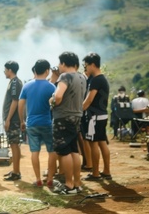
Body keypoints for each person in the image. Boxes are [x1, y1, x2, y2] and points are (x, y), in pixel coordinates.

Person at [49, 51, 86, 194]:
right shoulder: (82, 77)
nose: (59, 66)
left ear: (63, 63)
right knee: (73, 150)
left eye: (59, 63)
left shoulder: (65, 76)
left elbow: (58, 96)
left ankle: (69, 184)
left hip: (63, 117)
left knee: (64, 151)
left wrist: (52, 102)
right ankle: (77, 183)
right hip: (77, 116)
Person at [18, 59, 56, 187]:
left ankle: (38, 179)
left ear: (35, 70)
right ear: (47, 71)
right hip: (47, 123)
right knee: (52, 151)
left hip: (31, 123)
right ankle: (50, 179)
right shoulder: (51, 86)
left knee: (35, 152)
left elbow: (21, 104)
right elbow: (55, 104)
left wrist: (22, 121)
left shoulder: (27, 86)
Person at [82, 52, 111, 181]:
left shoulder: (96, 80)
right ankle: (106, 171)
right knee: (102, 142)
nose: (86, 68)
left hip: (94, 117)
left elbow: (89, 100)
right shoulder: (102, 79)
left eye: (86, 65)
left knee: (94, 143)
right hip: (102, 115)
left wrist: (78, 111)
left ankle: (95, 173)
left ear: (93, 64)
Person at [2, 61, 24, 181]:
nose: (4, 72)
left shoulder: (15, 82)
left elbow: (15, 101)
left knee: (14, 145)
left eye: (5, 69)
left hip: (13, 120)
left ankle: (16, 172)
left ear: (10, 70)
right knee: (13, 144)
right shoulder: (14, 82)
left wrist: (8, 119)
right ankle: (15, 170)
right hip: (13, 119)